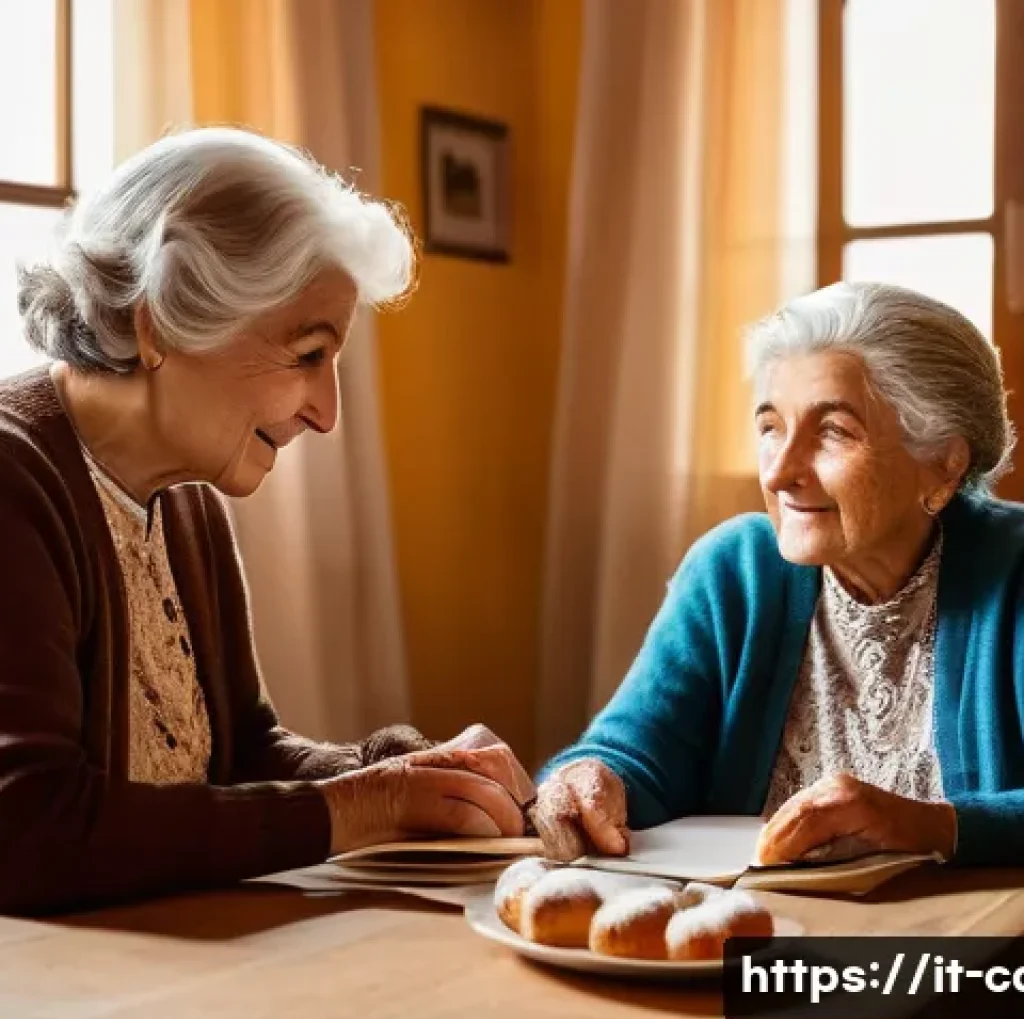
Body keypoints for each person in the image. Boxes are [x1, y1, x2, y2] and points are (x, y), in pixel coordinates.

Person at [0, 128, 532, 916]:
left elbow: (244, 754)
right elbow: (27, 829)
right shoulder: (14, 480)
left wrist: (407, 776)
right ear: (162, 324)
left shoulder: (187, 502)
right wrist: (366, 805)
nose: (327, 413)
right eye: (309, 354)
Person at [530, 281, 1024, 871]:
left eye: (834, 431)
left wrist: (932, 825)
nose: (782, 472)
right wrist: (589, 780)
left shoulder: (1012, 574)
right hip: (751, 945)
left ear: (943, 461)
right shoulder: (733, 571)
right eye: (770, 428)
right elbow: (634, 756)